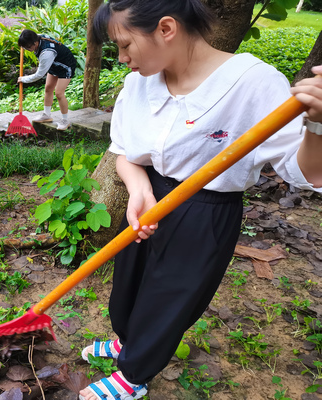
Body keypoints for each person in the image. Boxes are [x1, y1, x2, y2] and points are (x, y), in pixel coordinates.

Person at [78, 1, 322, 399]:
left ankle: (134, 376)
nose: (122, 59)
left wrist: (317, 126)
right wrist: (139, 189)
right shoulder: (140, 82)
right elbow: (124, 151)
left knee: (170, 296)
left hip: (204, 211)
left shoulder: (253, 83)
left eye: (125, 45)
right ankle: (127, 342)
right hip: (150, 196)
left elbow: (307, 173)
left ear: (166, 29)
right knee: (129, 281)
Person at [17, 29, 76, 130]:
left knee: (59, 93)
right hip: (54, 64)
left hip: (66, 66)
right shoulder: (36, 38)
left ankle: (65, 120)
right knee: (48, 88)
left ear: (35, 43)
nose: (27, 49)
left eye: (28, 47)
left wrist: (24, 79)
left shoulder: (47, 53)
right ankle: (47, 115)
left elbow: (39, 75)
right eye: (24, 47)